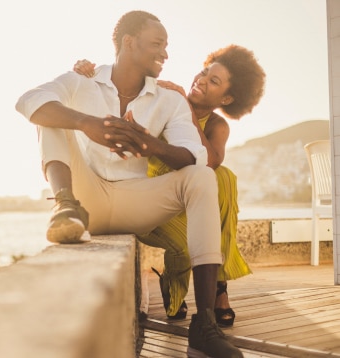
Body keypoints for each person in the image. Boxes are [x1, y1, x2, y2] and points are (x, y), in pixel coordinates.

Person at [16, 10, 243, 358]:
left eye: (166, 46)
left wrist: (149, 144)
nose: (165, 54)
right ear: (129, 42)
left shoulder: (169, 100)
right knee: (49, 113)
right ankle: (64, 205)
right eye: (157, 44)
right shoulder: (82, 81)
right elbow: (27, 100)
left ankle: (205, 324)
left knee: (203, 175)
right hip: (86, 197)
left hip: (136, 202)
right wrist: (87, 124)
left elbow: (197, 155)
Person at [73, 44, 266, 326]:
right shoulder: (165, 98)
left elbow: (208, 163)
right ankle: (195, 288)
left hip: (188, 205)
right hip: (146, 199)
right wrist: (86, 75)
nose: (200, 80)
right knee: (191, 238)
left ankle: (218, 286)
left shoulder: (216, 126)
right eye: (204, 72)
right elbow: (125, 88)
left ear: (226, 98)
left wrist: (188, 110)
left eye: (213, 81)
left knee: (222, 176)